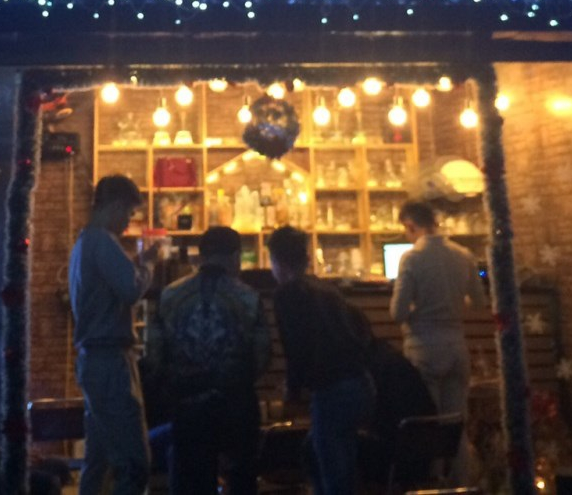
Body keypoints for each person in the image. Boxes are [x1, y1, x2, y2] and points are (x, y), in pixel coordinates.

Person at [144, 226, 271, 495]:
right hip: (236, 404)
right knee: (241, 480)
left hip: (188, 405)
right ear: (235, 257)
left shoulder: (170, 295)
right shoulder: (248, 298)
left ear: (200, 256)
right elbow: (261, 355)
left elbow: (155, 355)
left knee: (191, 482)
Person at [266, 225, 375, 495]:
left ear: (277, 262)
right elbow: (361, 330)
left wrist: (292, 392)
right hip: (361, 384)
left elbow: (295, 348)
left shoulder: (287, 294)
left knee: (333, 473)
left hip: (332, 389)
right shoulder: (327, 289)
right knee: (329, 458)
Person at [70, 174, 154, 495]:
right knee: (133, 463)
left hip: (93, 359)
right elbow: (131, 289)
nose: (128, 223)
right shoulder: (102, 241)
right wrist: (147, 265)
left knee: (99, 460)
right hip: (110, 360)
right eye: (129, 213)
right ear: (116, 206)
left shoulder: (83, 243)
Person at [389, 199, 486, 420]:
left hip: (424, 347)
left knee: (427, 422)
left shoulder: (411, 258)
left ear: (410, 225)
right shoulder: (463, 254)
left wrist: (417, 308)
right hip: (457, 346)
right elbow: (479, 302)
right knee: (455, 424)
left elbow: (397, 313)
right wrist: (455, 303)